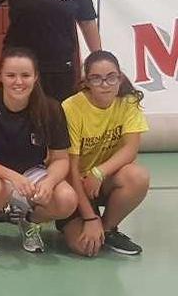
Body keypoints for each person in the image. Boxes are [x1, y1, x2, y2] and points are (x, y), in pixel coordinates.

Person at [0, 47, 78, 254]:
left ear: (36, 77)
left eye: (25, 75)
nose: (18, 82)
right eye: (11, 75)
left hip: (31, 173)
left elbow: (61, 159)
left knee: (67, 199)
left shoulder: (51, 109)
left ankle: (30, 222)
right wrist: (12, 176)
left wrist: (49, 183)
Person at [59, 50, 149, 256]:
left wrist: (99, 172)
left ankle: (107, 229)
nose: (105, 84)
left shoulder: (128, 101)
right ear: (86, 81)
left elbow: (130, 149)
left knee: (138, 176)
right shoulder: (71, 107)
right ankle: (83, 222)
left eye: (111, 77)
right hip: (75, 186)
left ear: (120, 77)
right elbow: (70, 168)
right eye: (97, 79)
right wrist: (90, 218)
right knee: (86, 248)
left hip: (102, 182)